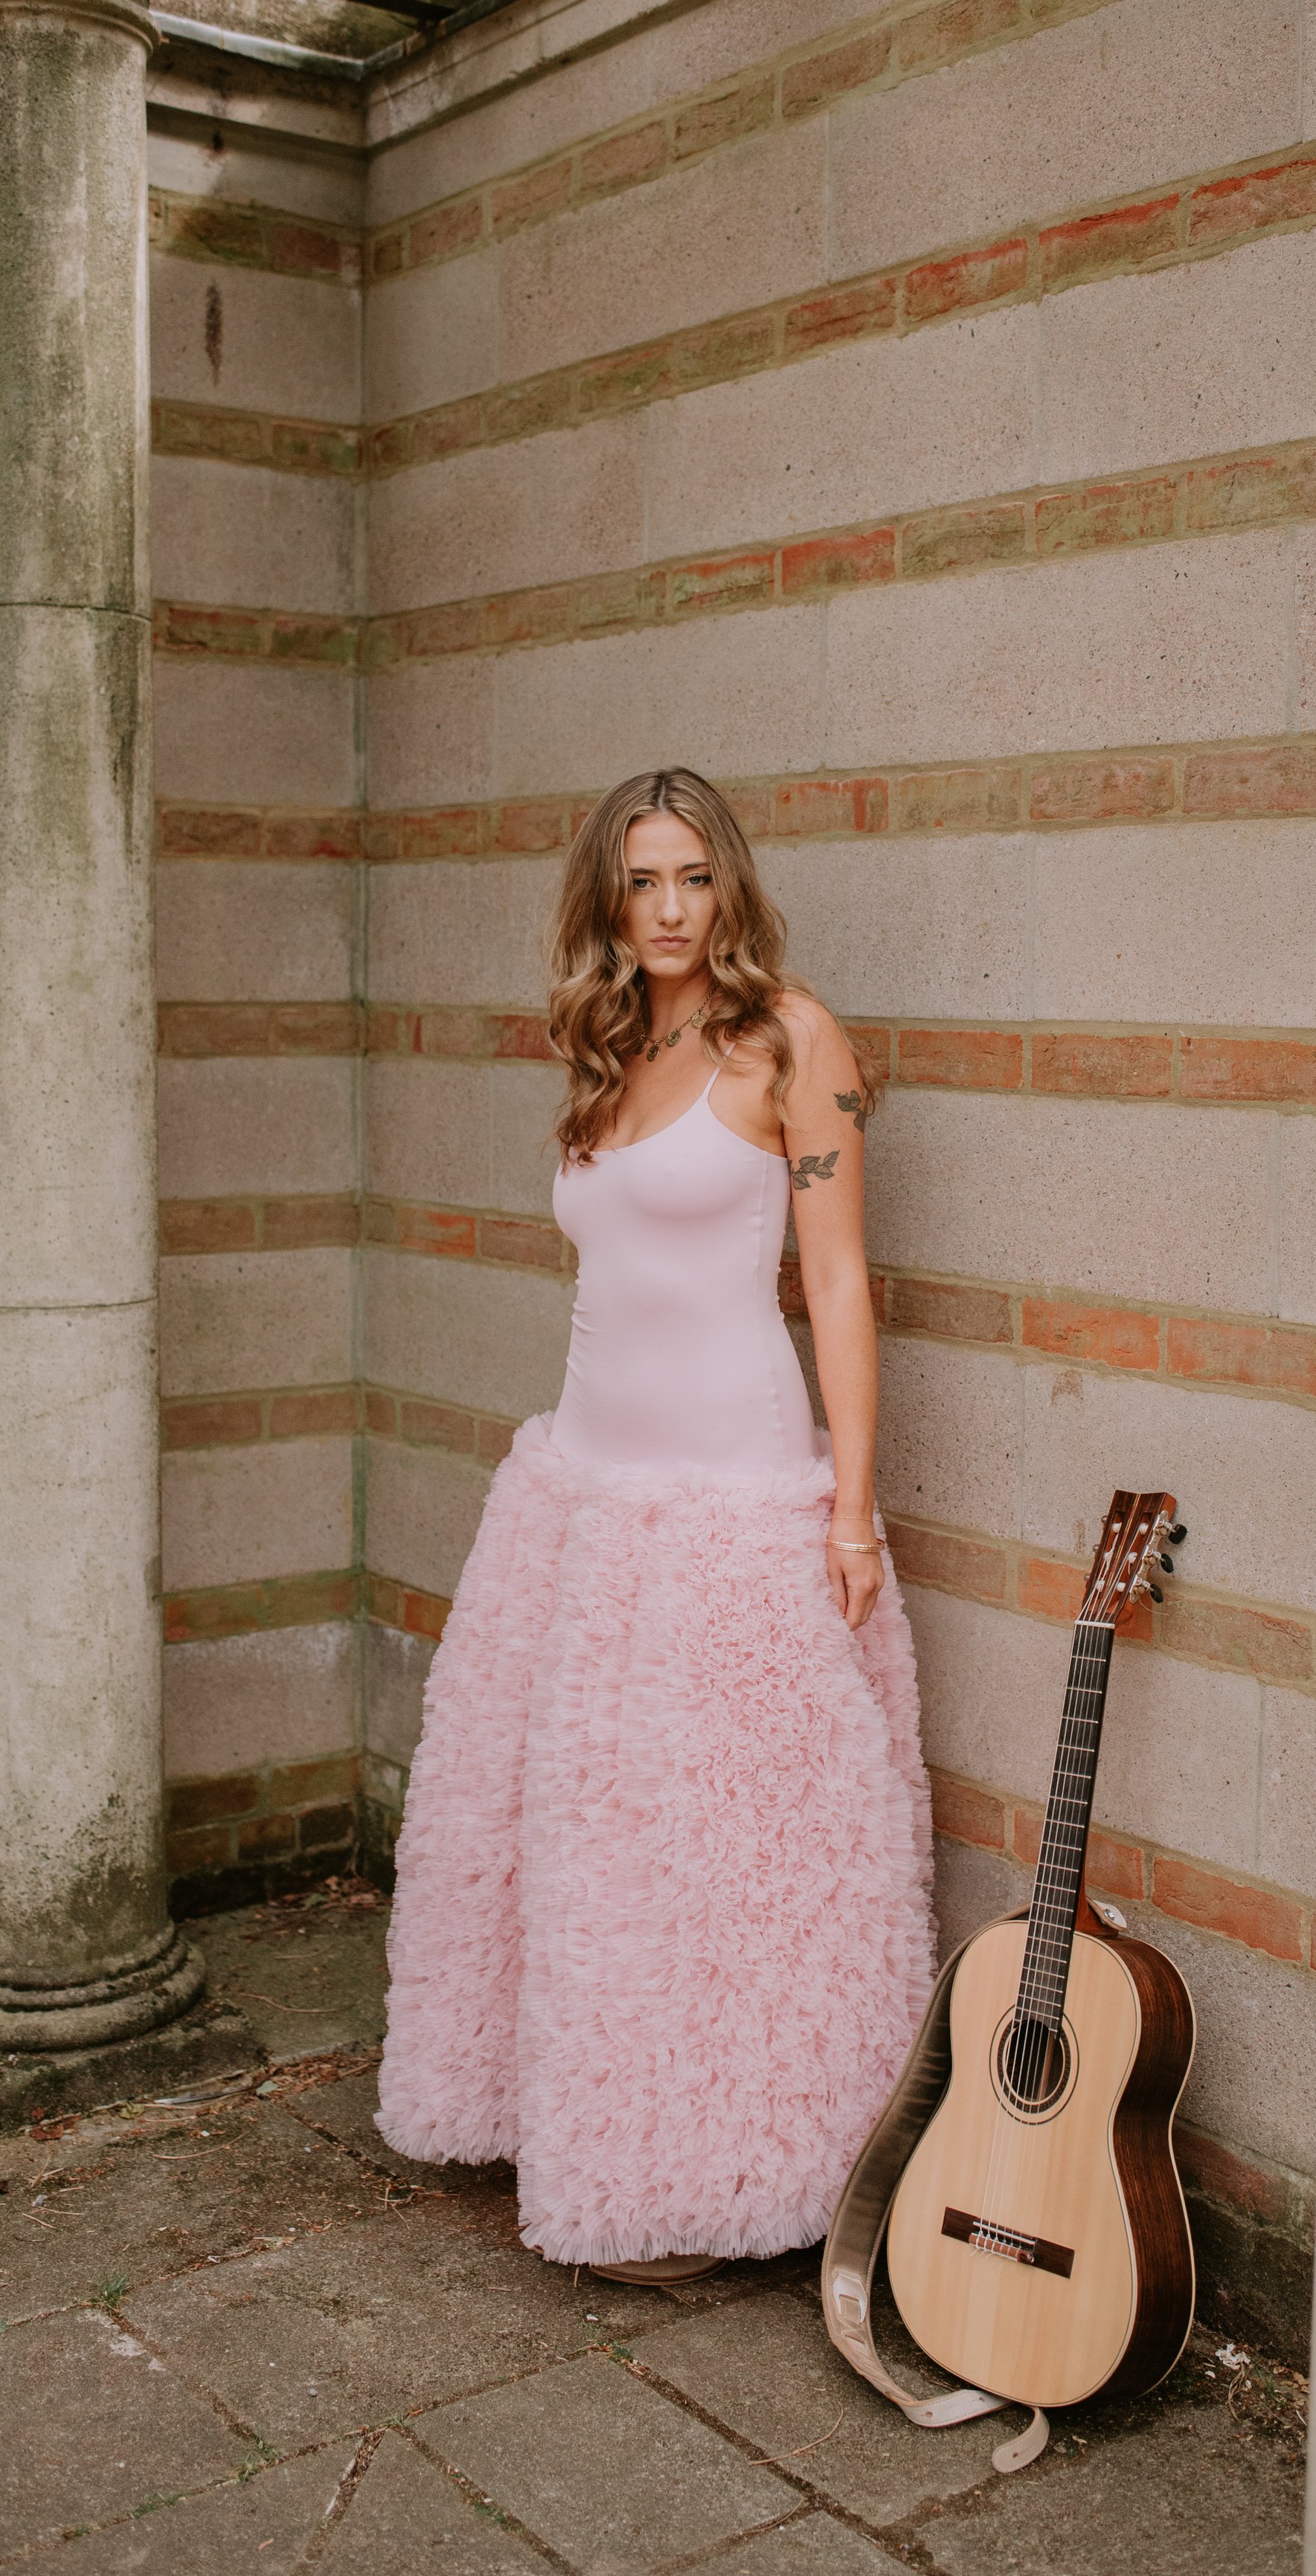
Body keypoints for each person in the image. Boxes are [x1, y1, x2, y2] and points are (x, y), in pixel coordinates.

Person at [376, 767, 935, 2282]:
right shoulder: (608, 1041)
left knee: (728, 1848)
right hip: (583, 1487)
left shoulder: (791, 1039)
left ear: (728, 884)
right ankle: (602, 2137)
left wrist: (851, 1510)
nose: (671, 909)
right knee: (590, 1846)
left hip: (729, 1492)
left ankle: (733, 2165)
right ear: (607, 902)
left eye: (693, 877)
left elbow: (836, 1282)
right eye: (642, 882)